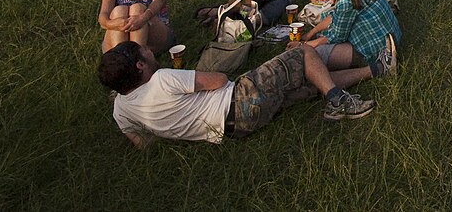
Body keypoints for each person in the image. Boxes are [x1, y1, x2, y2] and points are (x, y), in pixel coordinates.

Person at [99, 40, 376, 145]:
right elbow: (219, 80)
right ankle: (338, 102)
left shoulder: (120, 110)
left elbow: (143, 143)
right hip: (240, 99)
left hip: (234, 129)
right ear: (139, 65)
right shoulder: (162, 79)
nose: (149, 50)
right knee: (304, 52)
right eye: (144, 51)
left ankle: (374, 70)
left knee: (310, 79)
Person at [301, 0, 399, 85]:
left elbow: (336, 37)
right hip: (391, 40)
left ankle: (377, 68)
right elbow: (335, 17)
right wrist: (309, 34)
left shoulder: (347, 2)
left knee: (312, 57)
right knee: (316, 47)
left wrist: (304, 46)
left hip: (373, 50)